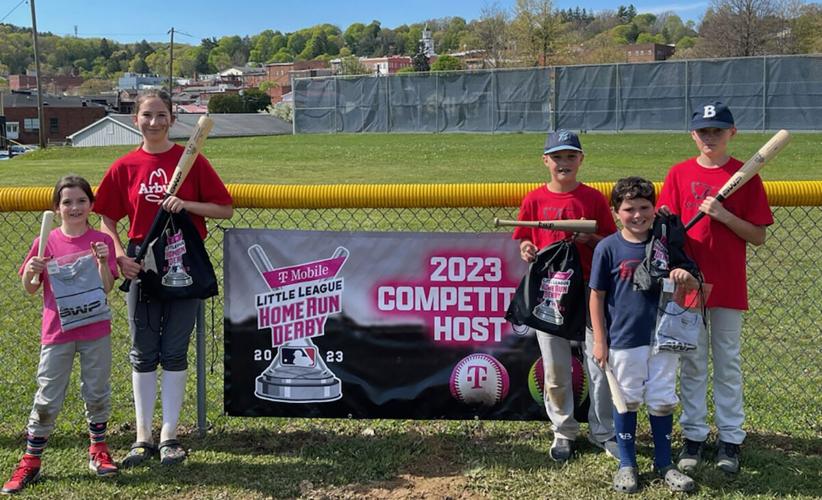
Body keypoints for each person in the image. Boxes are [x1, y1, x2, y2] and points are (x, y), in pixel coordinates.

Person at [94, 90, 233, 467]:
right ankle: (143, 437)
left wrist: (184, 204)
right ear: (135, 119)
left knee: (174, 350)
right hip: (142, 262)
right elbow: (106, 218)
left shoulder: (191, 162)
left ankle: (170, 435)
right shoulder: (124, 167)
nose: (153, 122)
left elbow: (224, 209)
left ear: (172, 119)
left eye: (161, 115)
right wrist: (120, 255)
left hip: (183, 261)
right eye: (146, 115)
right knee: (142, 352)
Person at [657, 101, 773, 474]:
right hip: (688, 283)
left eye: (718, 131)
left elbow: (758, 236)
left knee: (727, 363)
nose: (711, 137)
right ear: (693, 134)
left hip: (727, 283)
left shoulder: (745, 175)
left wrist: (723, 215)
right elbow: (665, 230)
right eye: (704, 131)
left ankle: (730, 438)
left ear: (731, 133)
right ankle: (693, 436)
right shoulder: (678, 174)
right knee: (691, 362)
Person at [3, 176, 118, 494]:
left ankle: (98, 450)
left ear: (91, 205)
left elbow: (107, 286)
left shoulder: (101, 240)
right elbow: (29, 288)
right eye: (67, 202)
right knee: (47, 398)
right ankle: (31, 461)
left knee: (96, 392)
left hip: (95, 328)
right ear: (57, 207)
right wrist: (31, 270)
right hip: (57, 332)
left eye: (81, 200)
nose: (74, 207)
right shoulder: (46, 241)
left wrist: (103, 262)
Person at [513, 129, 619, 462]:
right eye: (557, 157)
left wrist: (589, 240)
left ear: (581, 160)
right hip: (551, 292)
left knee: (599, 364)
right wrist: (526, 248)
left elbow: (610, 241)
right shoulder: (534, 199)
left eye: (570, 156)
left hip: (589, 290)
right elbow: (524, 240)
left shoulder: (593, 198)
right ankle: (563, 430)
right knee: (556, 367)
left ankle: (604, 431)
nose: (564, 162)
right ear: (546, 161)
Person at [590, 177, 698, 494]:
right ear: (616, 212)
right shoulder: (608, 247)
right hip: (624, 337)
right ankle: (627, 463)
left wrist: (683, 275)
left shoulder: (666, 241)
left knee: (662, 398)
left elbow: (692, 280)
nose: (637, 215)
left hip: (663, 337)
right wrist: (600, 339)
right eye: (629, 209)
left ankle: (664, 463)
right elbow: (596, 295)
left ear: (654, 208)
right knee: (627, 400)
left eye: (644, 207)